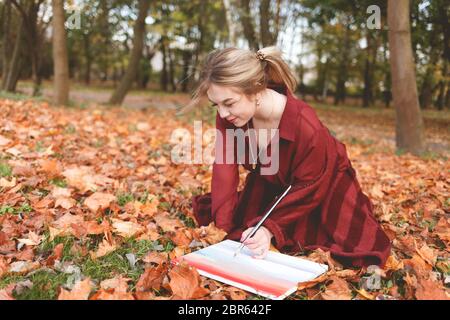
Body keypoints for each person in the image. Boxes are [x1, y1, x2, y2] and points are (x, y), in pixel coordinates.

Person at [180, 46, 391, 268]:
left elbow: (310, 186)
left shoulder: (306, 127)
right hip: (274, 180)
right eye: (217, 105)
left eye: (229, 103)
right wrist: (222, 229)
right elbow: (225, 167)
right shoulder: (230, 116)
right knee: (241, 227)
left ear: (255, 90)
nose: (222, 113)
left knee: (349, 241)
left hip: (324, 183)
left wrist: (269, 228)